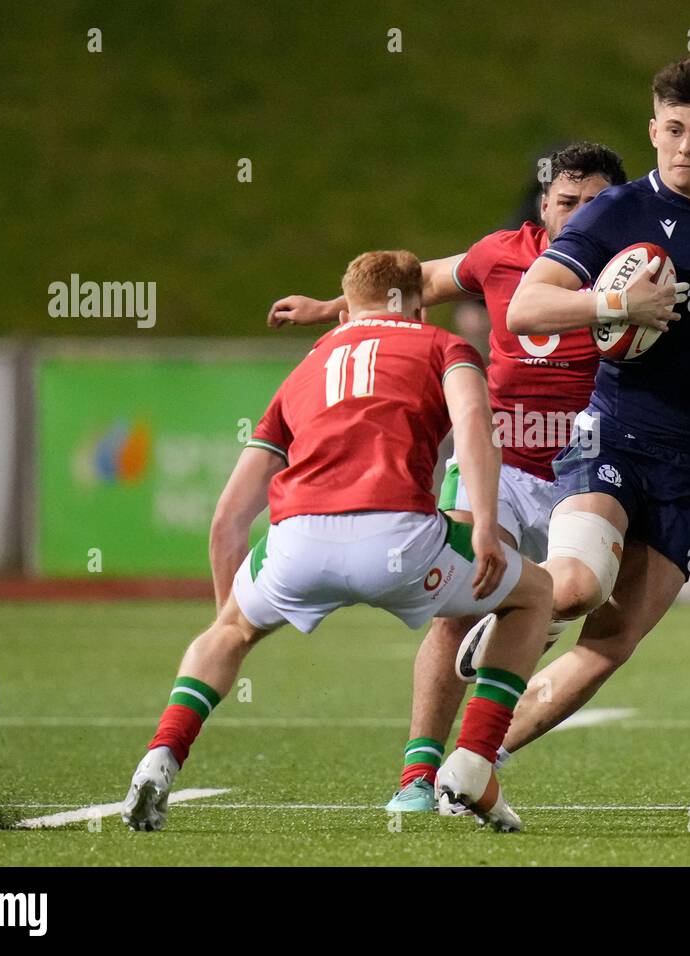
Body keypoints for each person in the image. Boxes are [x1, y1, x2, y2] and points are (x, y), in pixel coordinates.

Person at [265, 143, 645, 812]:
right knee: (454, 609)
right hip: (497, 466)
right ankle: (417, 778)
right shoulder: (502, 254)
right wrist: (332, 308)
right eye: (567, 203)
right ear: (542, 206)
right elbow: (425, 282)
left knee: (579, 595)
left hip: (586, 468)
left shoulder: (637, 269)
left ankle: (513, 656)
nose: (582, 215)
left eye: (597, 203)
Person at [121, 250, 552, 833]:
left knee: (226, 632)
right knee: (535, 594)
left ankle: (160, 757)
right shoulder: (444, 347)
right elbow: (476, 429)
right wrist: (482, 525)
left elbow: (228, 518)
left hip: (297, 542)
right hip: (399, 539)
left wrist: (233, 616)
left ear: (348, 304)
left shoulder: (309, 364)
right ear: (418, 303)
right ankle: (473, 759)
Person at [489, 55, 690, 756]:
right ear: (653, 131)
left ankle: (474, 762)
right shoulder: (617, 210)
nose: (688, 145)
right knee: (573, 591)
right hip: (613, 436)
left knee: (612, 642)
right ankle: (496, 616)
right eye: (675, 129)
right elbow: (526, 309)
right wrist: (617, 302)